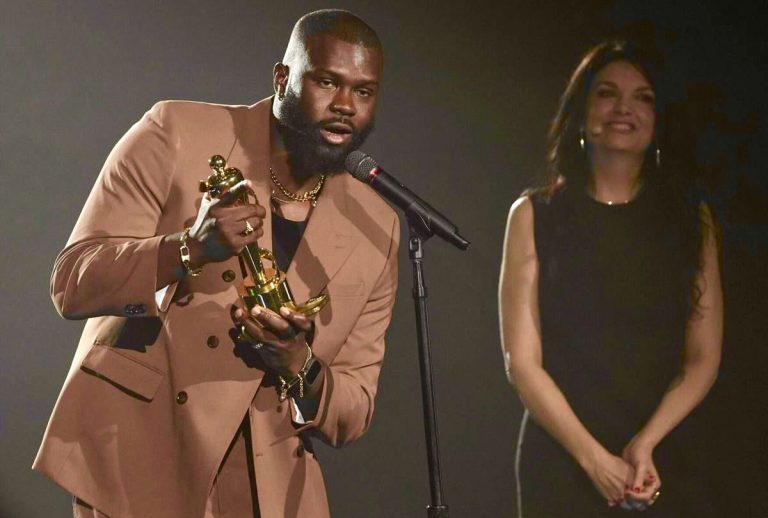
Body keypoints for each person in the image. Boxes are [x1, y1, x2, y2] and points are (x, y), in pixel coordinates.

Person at [34, 9, 400, 518]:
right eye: (326, 81)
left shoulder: (377, 225)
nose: (344, 105)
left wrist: (298, 363)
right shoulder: (176, 130)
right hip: (139, 454)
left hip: (268, 485)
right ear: (282, 78)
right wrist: (187, 248)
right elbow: (72, 282)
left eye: (363, 91)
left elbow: (353, 409)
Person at [499, 41, 723, 516]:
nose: (624, 107)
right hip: (561, 458)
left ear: (658, 119)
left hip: (664, 456)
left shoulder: (691, 220)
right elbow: (522, 361)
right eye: (606, 93)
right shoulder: (534, 214)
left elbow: (703, 358)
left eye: (643, 97)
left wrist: (645, 443)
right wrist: (595, 461)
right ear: (580, 114)